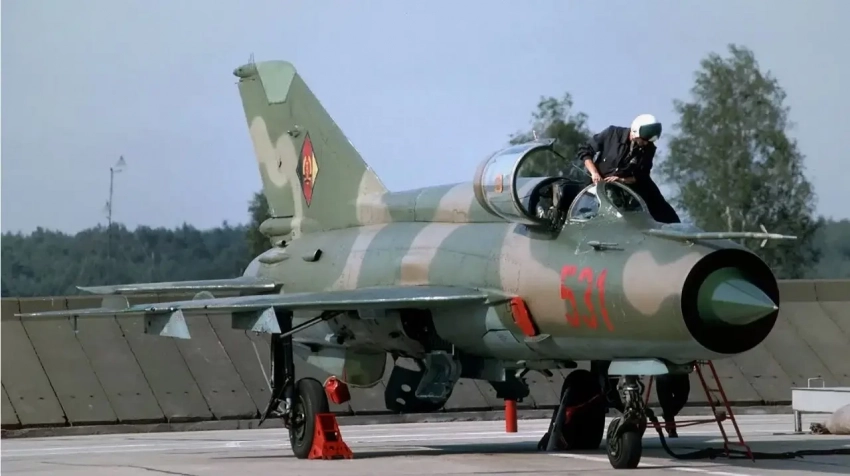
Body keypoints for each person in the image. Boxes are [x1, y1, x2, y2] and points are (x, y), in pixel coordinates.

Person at [576, 114, 680, 224]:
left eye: (648, 141)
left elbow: (643, 175)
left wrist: (623, 180)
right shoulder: (612, 133)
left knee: (661, 206)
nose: (645, 143)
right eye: (643, 140)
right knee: (582, 211)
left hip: (625, 187)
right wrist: (594, 173)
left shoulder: (648, 148)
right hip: (597, 184)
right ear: (635, 132)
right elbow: (585, 150)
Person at [655, 373, 691, 437]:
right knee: (665, 401)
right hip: (662, 373)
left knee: (682, 397)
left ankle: (668, 417)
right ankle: (671, 428)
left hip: (679, 372)